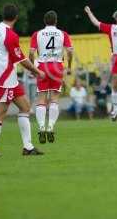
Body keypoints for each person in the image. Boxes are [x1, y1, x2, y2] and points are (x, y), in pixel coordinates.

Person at [0, 4, 45, 157]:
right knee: (0, 112)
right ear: (16, 17)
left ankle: (28, 147)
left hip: (7, 77)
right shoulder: (10, 35)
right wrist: (38, 71)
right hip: (4, 78)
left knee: (25, 106)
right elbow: (21, 59)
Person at [84, 6, 117, 119]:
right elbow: (96, 23)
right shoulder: (111, 28)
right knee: (115, 84)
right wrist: (89, 12)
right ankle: (115, 110)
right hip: (116, 57)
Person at [29, 10, 73, 144]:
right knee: (54, 98)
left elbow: (31, 52)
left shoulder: (37, 34)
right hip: (57, 67)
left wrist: (32, 67)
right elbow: (70, 51)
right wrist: (69, 66)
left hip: (42, 66)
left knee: (41, 98)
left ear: (44, 21)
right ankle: (50, 127)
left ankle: (41, 127)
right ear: (56, 21)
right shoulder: (62, 34)